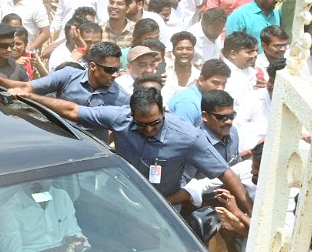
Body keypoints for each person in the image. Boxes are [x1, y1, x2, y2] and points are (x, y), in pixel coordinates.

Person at [29, 87, 253, 212]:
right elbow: (72, 110)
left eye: (155, 123)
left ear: (163, 112)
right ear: (131, 114)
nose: (148, 129)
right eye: (141, 124)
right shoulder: (120, 118)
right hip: (118, 200)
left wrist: (250, 214)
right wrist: (28, 96)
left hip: (162, 206)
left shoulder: (188, 136)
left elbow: (227, 174)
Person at [168, 59, 231, 127]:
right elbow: (182, 135)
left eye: (223, 84)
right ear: (201, 80)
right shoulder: (188, 102)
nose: (221, 88)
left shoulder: (209, 99)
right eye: (215, 83)